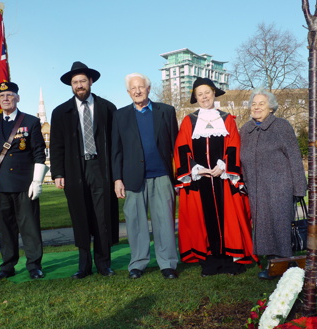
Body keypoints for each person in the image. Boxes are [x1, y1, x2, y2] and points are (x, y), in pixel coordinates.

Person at [174, 77, 257, 277]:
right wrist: (196, 168)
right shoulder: (189, 121)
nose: (204, 97)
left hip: (224, 179)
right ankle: (210, 263)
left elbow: (234, 144)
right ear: (195, 97)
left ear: (214, 94)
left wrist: (223, 166)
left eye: (207, 93)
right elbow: (181, 148)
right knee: (203, 220)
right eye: (199, 94)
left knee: (229, 220)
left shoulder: (227, 119)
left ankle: (231, 262)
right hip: (200, 181)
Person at [50, 62, 119, 279]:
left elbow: (117, 144)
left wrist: (118, 174)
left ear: (90, 82)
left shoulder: (108, 108)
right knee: (80, 216)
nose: (79, 85)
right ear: (71, 86)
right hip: (75, 170)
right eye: (75, 82)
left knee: (102, 216)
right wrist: (58, 173)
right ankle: (84, 265)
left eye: (82, 81)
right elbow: (56, 145)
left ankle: (103, 263)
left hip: (101, 168)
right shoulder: (60, 112)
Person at [0, 81, 48, 280]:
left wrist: (37, 181)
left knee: (30, 227)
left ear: (18, 97)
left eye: (9, 95)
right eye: (1, 96)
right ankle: (7, 267)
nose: (6, 99)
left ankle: (34, 266)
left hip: (24, 185)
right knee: (5, 229)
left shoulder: (31, 121)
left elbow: (39, 154)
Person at [112, 73, 179, 279]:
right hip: (132, 178)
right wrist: (117, 179)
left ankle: (167, 263)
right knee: (135, 223)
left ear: (148, 89)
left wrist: (178, 177)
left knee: (165, 222)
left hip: (161, 175)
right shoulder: (120, 115)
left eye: (141, 87)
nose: (137, 91)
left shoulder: (166, 111)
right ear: (128, 92)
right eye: (133, 88)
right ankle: (138, 264)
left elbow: (176, 145)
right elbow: (116, 149)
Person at [240, 88, 307, 280]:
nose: (256, 107)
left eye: (261, 103)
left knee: (280, 226)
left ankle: (286, 265)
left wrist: (299, 187)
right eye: (254, 104)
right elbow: (241, 159)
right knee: (263, 227)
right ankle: (273, 264)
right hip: (256, 188)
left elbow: (294, 156)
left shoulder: (281, 126)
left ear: (271, 108)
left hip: (280, 186)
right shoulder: (246, 129)